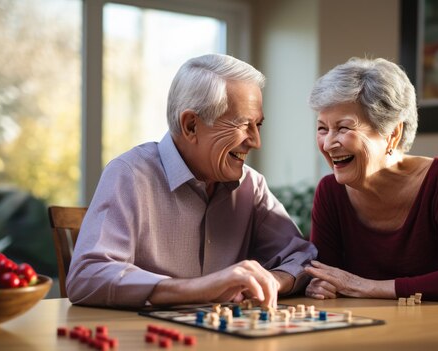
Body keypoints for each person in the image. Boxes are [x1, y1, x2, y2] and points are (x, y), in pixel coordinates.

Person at [66, 53, 317, 309]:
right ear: (191, 126)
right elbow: (86, 276)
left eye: (258, 125)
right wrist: (198, 288)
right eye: (243, 125)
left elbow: (304, 259)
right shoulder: (129, 174)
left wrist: (272, 281)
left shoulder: (251, 186)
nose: (255, 141)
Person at [304, 57, 438, 302]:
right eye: (322, 129)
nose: (328, 143)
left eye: (343, 128)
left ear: (393, 133)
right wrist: (319, 286)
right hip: (397, 324)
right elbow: (327, 277)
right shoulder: (331, 192)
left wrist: (365, 287)